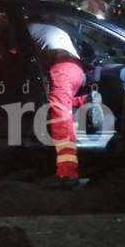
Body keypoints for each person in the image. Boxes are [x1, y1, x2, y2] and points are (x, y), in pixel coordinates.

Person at [27, 21, 102, 189]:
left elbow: (18, 55)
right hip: (74, 68)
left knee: (60, 118)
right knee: (59, 103)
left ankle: (67, 173)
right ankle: (85, 100)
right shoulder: (44, 28)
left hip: (62, 67)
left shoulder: (26, 29)